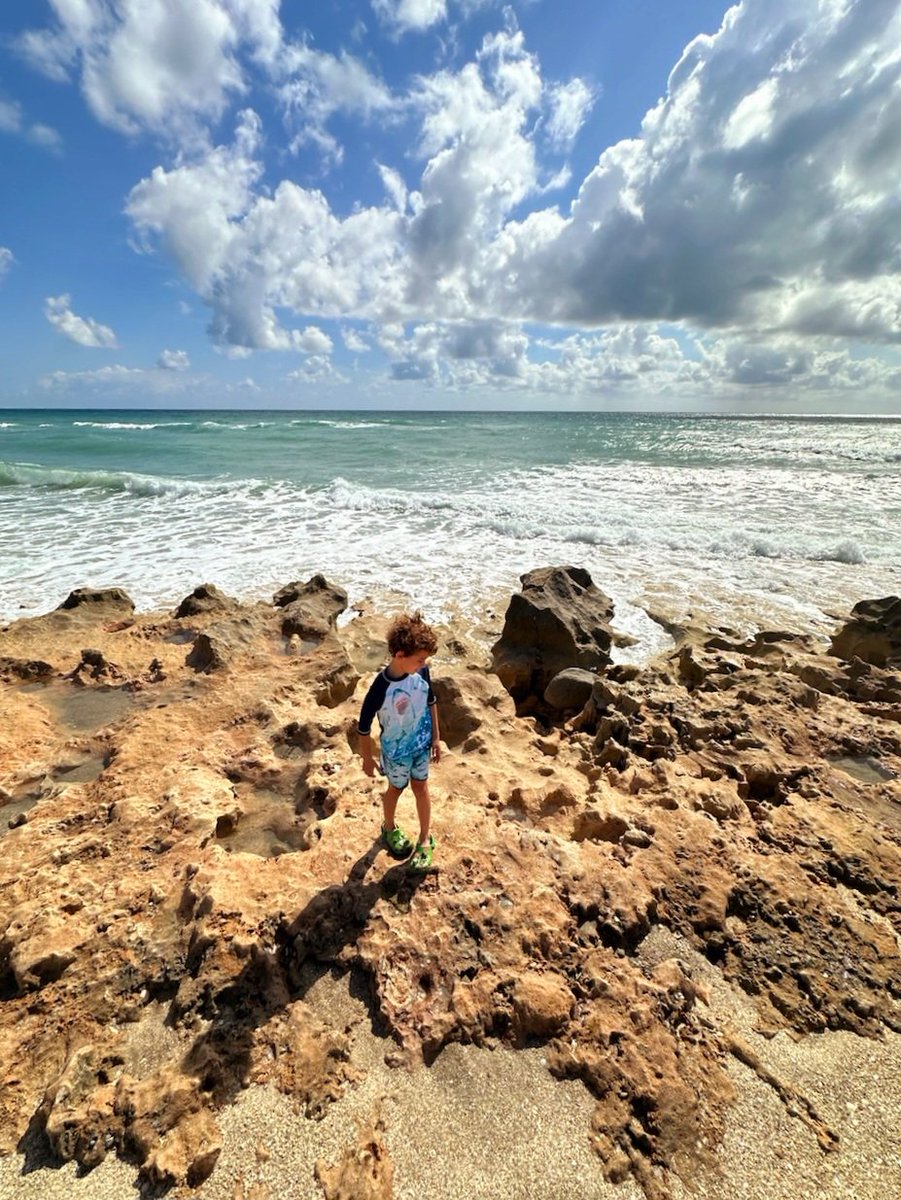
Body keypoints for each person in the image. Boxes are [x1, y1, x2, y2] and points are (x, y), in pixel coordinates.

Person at [357, 611, 441, 872]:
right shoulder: (380, 688)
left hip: (421, 745)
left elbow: (431, 702)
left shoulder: (422, 673)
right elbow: (363, 726)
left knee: (421, 788)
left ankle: (425, 838)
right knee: (396, 789)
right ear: (400, 656)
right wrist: (367, 758)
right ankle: (389, 827)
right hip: (395, 753)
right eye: (420, 659)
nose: (424, 664)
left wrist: (436, 737)